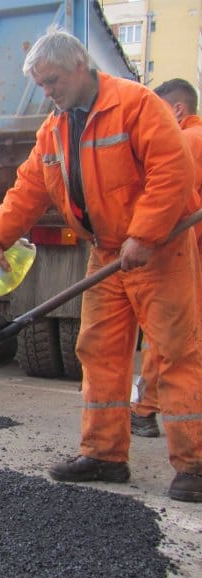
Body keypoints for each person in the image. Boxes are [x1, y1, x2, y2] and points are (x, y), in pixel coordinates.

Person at [0, 31, 202, 502]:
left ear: (80, 67)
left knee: (176, 352)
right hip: (106, 252)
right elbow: (29, 185)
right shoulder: (57, 126)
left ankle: (195, 465)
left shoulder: (137, 105)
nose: (49, 92)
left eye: (53, 81)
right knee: (99, 349)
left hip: (159, 251)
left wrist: (144, 234)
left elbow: (173, 170)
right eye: (41, 85)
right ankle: (104, 455)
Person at [130, 77, 202, 438]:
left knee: (169, 340)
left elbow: (183, 207)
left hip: (186, 258)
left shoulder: (187, 141)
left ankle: (144, 410)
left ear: (176, 109)